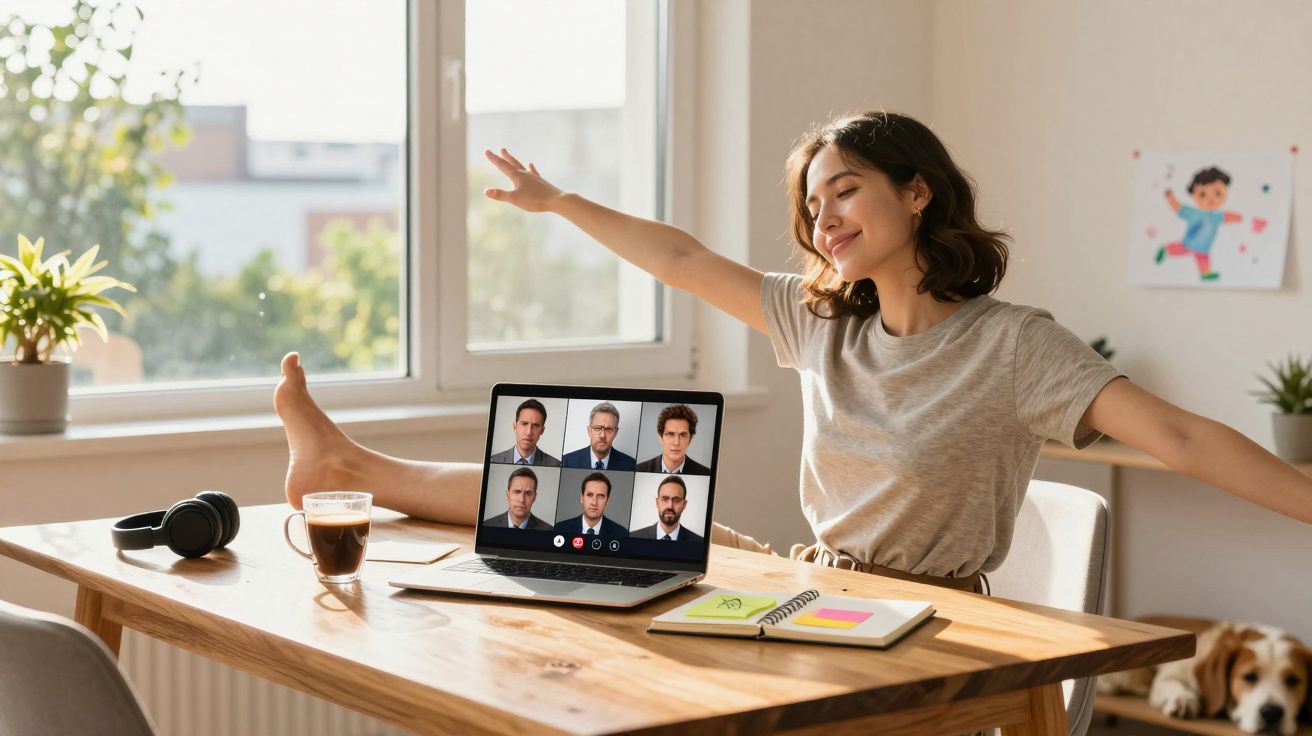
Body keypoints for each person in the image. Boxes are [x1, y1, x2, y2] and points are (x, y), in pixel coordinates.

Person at [276, 110, 1312, 594]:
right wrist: (557, 201)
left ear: (917, 191)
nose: (824, 218)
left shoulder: (1015, 349)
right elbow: (681, 257)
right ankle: (349, 469)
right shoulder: (823, 319)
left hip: (932, 615)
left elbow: (1174, 432)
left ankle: (353, 471)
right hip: (812, 586)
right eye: (811, 205)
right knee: (606, 496)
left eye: (846, 188)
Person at [1155, 166, 1244, 281]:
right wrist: (1170, 197)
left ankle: (1205, 274)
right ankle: (1165, 250)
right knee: (1178, 249)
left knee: (1203, 260)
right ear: (1193, 194)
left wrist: (1239, 218)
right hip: (1189, 242)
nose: (1210, 199)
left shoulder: (1216, 216)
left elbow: (1227, 216)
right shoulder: (1193, 212)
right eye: (1203, 194)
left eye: (1217, 194)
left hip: (1204, 248)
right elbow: (1178, 208)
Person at [635, 404, 710, 475]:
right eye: (670, 434)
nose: (676, 442)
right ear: (660, 438)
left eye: (683, 435)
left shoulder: (705, 472)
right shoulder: (639, 469)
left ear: (690, 440)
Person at [560, 402, 636, 471]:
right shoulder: (567, 462)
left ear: (615, 433)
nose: (602, 435)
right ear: (589, 431)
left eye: (609, 429)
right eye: (597, 428)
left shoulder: (630, 465)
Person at [630, 476, 704, 544]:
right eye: (665, 499)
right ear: (657, 502)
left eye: (676, 500)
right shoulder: (633, 537)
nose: (670, 506)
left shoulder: (698, 541)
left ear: (684, 504)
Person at [553, 472, 628, 537]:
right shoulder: (559, 529)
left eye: (600, 496)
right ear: (582, 498)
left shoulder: (622, 533)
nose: (594, 502)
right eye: (589, 495)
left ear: (607, 501)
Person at [489, 398, 560, 466]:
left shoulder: (556, 464)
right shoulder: (493, 460)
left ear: (542, 431)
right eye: (524, 424)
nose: (529, 432)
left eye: (535, 425)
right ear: (515, 426)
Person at [482, 467, 554, 531]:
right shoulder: (487, 525)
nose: (522, 500)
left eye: (528, 493)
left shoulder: (548, 530)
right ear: (508, 495)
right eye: (517, 492)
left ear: (534, 498)